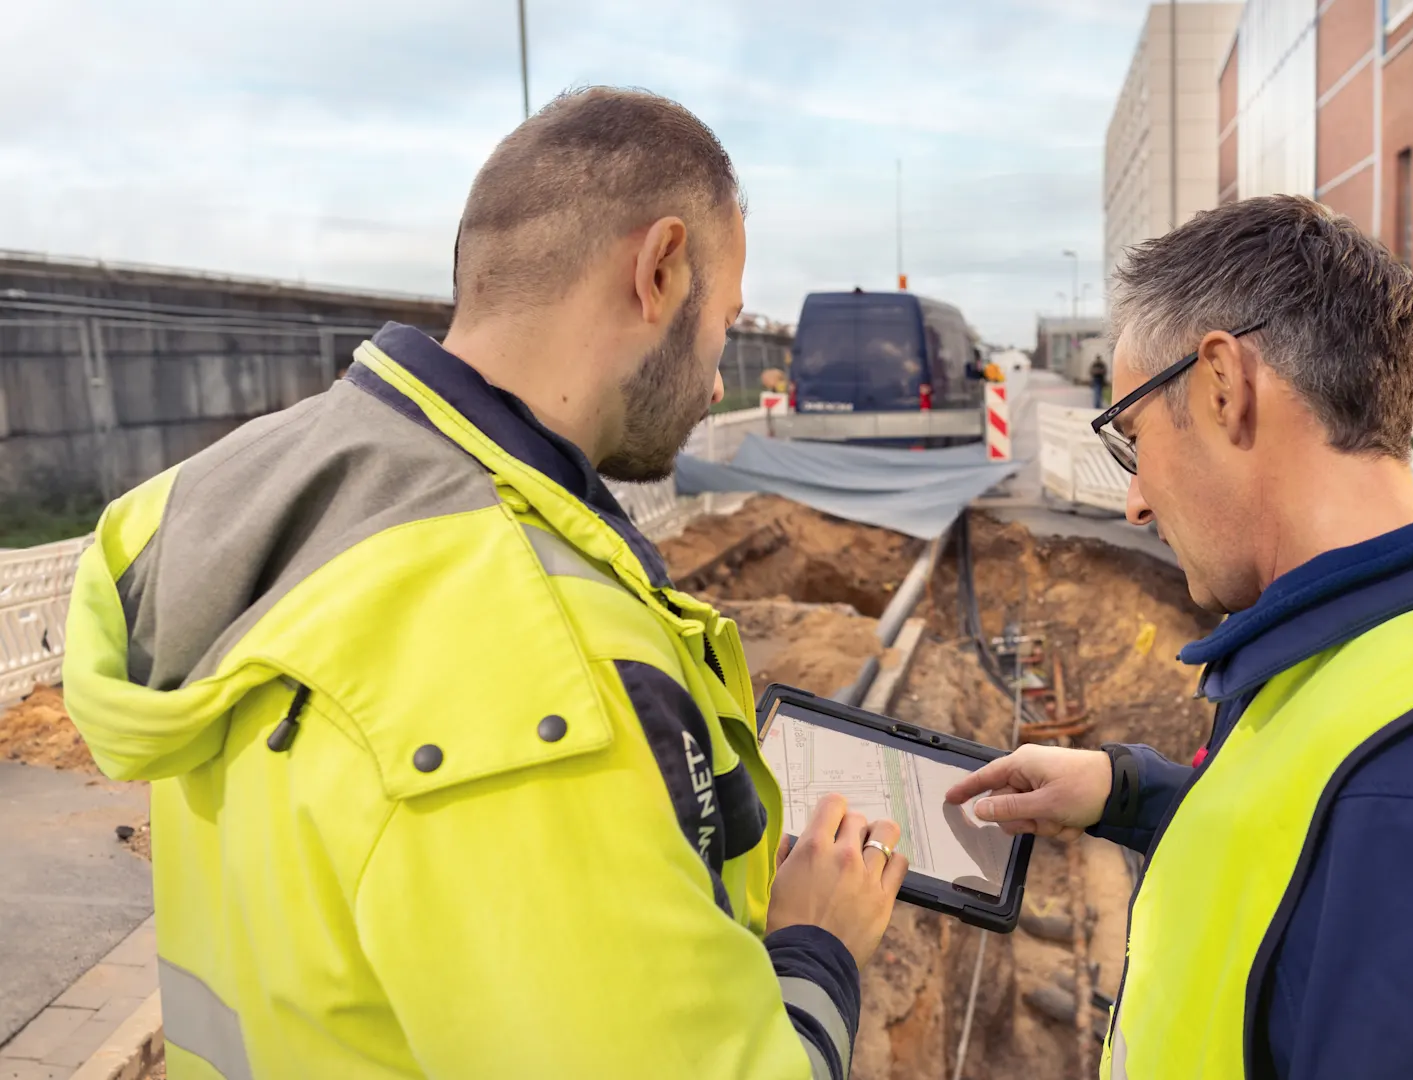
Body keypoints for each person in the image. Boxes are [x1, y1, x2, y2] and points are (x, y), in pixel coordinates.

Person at [63, 89, 906, 1080]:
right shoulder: (550, 665)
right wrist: (816, 949)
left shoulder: (216, 505)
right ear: (660, 270)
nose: (719, 381)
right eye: (721, 324)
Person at [948, 194, 1413, 1078]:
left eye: (1133, 440)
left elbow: (1385, 835)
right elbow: (1303, 842)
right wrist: (1129, 792)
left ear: (1224, 387)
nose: (1137, 501)